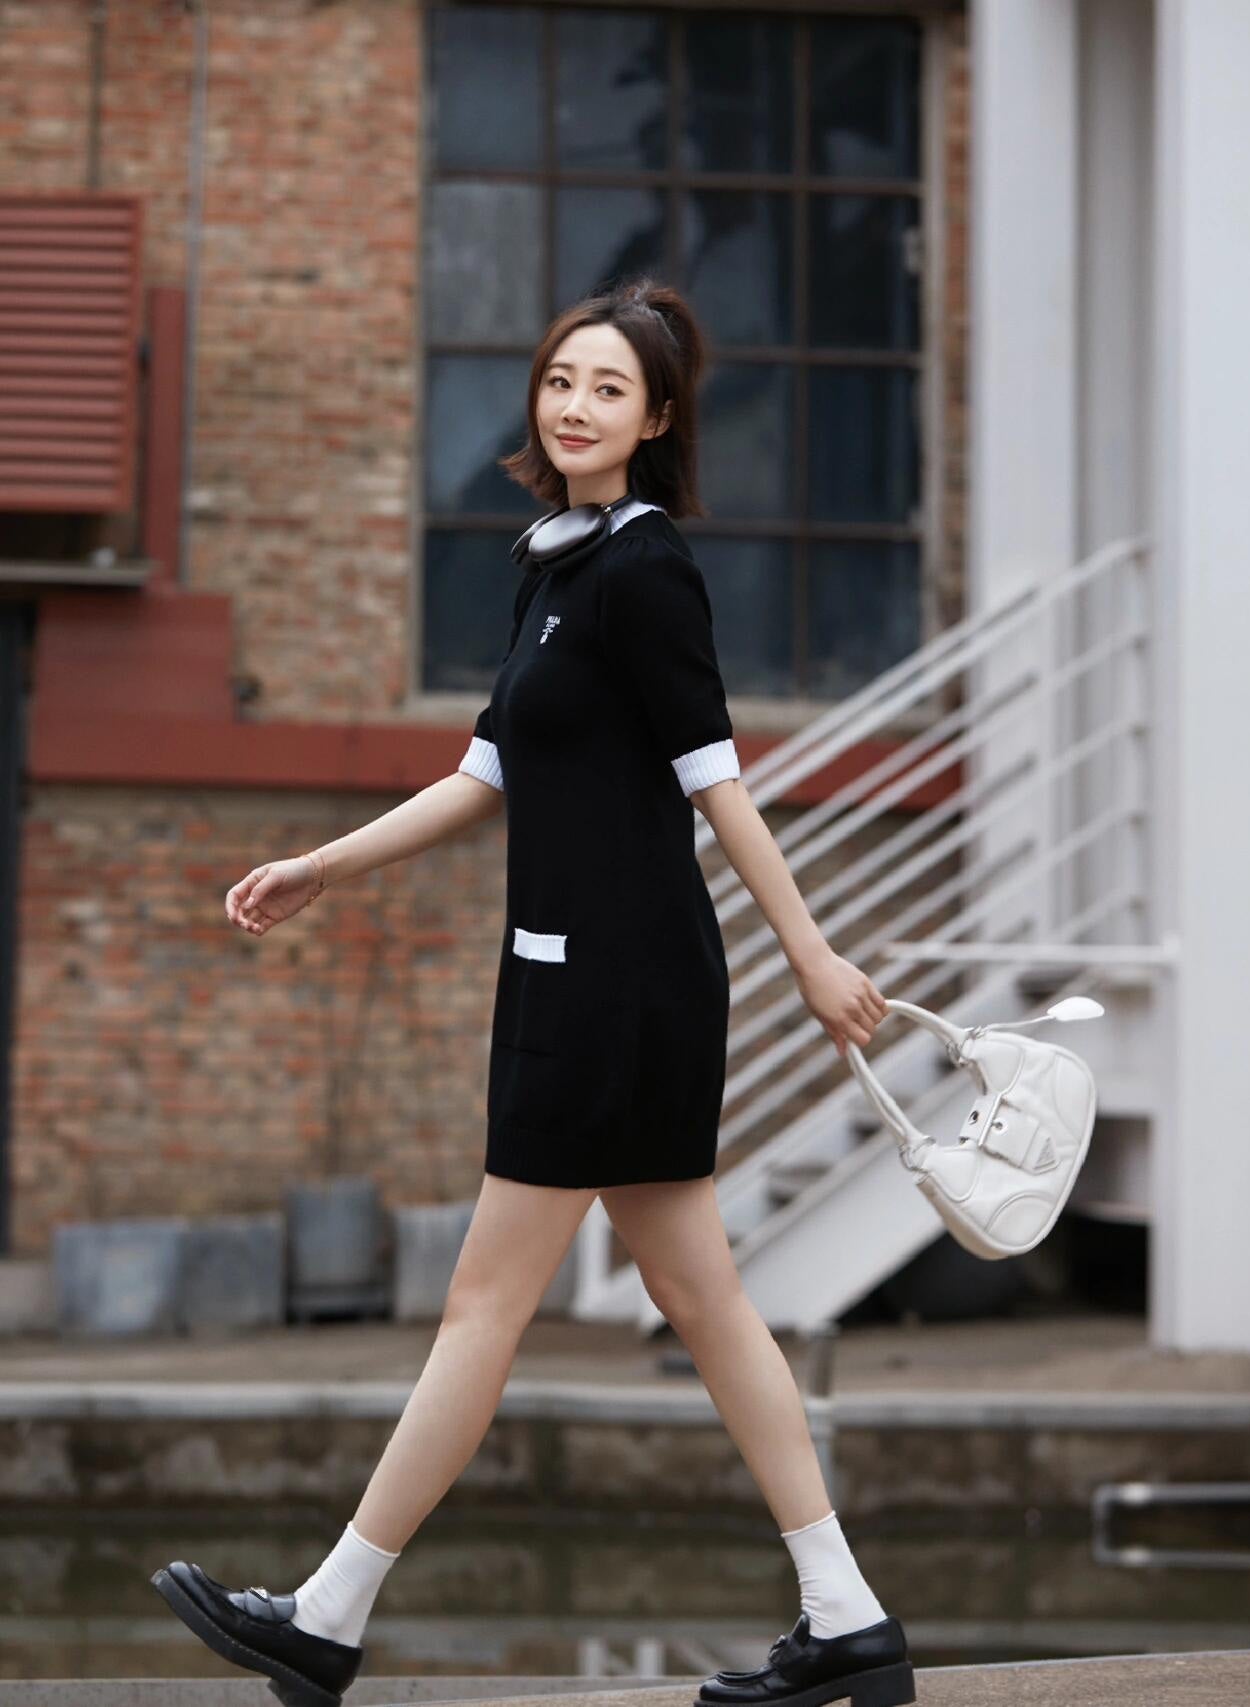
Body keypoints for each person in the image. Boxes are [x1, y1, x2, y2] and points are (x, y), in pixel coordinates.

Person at [151, 277, 916, 1707]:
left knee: (484, 1305)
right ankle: (848, 1619)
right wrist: (323, 864)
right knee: (704, 1300)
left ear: (659, 418)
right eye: (562, 379)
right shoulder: (553, 564)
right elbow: (485, 775)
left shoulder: (646, 570)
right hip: (566, 976)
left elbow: (718, 784)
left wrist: (811, 955)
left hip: (619, 990)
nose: (575, 405)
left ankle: (328, 1614)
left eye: (609, 388)